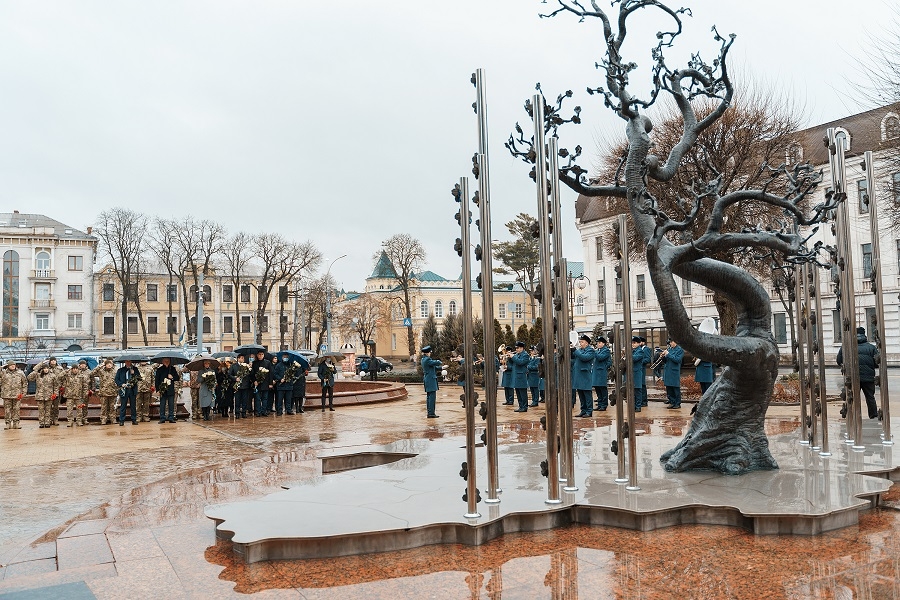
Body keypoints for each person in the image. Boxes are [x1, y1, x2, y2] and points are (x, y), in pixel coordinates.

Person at [837, 326, 880, 419]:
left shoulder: (846, 346)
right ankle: (873, 415)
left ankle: (853, 415)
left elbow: (839, 360)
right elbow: (877, 363)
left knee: (851, 397)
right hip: (868, 377)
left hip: (852, 377)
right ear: (864, 335)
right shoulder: (871, 348)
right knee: (870, 397)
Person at [27, 359, 59, 428]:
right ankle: (41, 423)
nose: (46, 370)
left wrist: (55, 394)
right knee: (41, 410)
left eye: (47, 368)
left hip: (49, 396)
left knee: (48, 410)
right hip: (40, 396)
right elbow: (29, 377)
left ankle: (47, 422)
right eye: (44, 368)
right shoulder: (38, 375)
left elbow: (56, 385)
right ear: (42, 369)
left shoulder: (52, 376)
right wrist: (39, 365)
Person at [572, 335, 596, 417]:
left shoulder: (591, 351)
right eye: (580, 342)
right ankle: (583, 410)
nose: (580, 343)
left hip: (585, 375)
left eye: (582, 342)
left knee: (587, 394)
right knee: (581, 394)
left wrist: (575, 350)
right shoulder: (580, 350)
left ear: (586, 343)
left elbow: (584, 358)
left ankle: (589, 411)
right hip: (578, 375)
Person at [89, 359, 118, 425]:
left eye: (110, 363)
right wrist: (100, 365)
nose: (109, 365)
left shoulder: (115, 371)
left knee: (112, 407)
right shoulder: (101, 371)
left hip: (113, 392)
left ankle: (113, 418)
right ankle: (103, 419)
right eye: (107, 364)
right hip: (103, 392)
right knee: (104, 407)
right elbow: (92, 373)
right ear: (105, 365)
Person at [64, 360, 91, 427]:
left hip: (79, 396)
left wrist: (84, 395)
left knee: (79, 410)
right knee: (69, 410)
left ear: (78, 369)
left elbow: (85, 386)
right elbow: (59, 376)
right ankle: (70, 421)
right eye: (73, 369)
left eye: (76, 369)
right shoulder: (68, 375)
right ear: (72, 369)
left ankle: (79, 421)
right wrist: (67, 370)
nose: (75, 370)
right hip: (70, 396)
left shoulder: (82, 376)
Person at [2, 360, 27, 429]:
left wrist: (23, 393)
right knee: (7, 410)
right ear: (8, 366)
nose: (13, 366)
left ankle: (16, 423)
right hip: (7, 395)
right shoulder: (4, 373)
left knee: (16, 409)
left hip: (17, 395)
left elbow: (24, 383)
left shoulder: (20, 373)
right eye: (11, 365)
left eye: (14, 365)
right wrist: (1, 367)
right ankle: (8, 423)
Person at [115, 360, 141, 425]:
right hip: (124, 390)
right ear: (125, 362)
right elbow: (116, 379)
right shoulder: (120, 370)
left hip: (132, 390)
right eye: (127, 362)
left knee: (133, 406)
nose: (128, 363)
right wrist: (121, 384)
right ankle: (121, 420)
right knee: (123, 406)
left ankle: (134, 419)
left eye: (129, 362)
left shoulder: (135, 369)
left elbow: (139, 378)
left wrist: (133, 373)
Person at [155, 357, 179, 424]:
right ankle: (162, 418)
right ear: (162, 361)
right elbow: (157, 380)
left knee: (171, 404)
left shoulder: (173, 369)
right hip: (162, 389)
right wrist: (158, 390)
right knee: (162, 404)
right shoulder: (159, 370)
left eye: (168, 361)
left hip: (170, 389)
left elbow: (177, 377)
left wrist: (172, 377)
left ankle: (171, 417)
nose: (166, 362)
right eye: (165, 361)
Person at [661, 339, 684, 409]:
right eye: (670, 342)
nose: (670, 343)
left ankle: (677, 403)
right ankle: (671, 401)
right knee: (669, 387)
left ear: (675, 342)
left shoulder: (680, 350)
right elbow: (666, 361)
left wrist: (668, 354)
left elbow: (677, 360)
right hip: (668, 370)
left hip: (674, 371)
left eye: (671, 342)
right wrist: (663, 357)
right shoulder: (670, 349)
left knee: (675, 387)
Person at [420, 345, 441, 418]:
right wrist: (439, 361)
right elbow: (437, 363)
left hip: (427, 379)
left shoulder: (423, 359)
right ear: (427, 353)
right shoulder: (427, 360)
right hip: (430, 379)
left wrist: (442, 368)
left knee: (429, 397)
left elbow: (433, 368)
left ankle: (430, 412)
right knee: (432, 397)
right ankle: (431, 413)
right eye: (429, 352)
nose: (430, 354)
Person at [251, 350, 272, 417]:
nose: (260, 356)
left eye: (262, 354)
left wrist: (270, 383)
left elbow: (270, 374)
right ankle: (258, 411)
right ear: (257, 355)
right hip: (257, 384)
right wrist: (254, 381)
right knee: (257, 398)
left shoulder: (267, 362)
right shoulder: (254, 363)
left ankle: (264, 411)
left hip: (265, 383)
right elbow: (252, 373)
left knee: (265, 398)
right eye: (259, 354)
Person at [631, 337, 650, 412]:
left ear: (639, 343)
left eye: (634, 343)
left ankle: (639, 405)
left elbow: (634, 358)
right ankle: (635, 405)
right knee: (633, 390)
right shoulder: (633, 351)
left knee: (638, 389)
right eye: (632, 343)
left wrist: (627, 354)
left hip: (637, 372)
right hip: (632, 372)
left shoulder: (640, 351)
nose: (633, 344)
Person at [592, 337, 611, 411]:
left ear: (603, 343)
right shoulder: (598, 350)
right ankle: (600, 404)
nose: (598, 344)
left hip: (602, 372)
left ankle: (604, 404)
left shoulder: (606, 351)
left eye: (599, 343)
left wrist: (594, 352)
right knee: (597, 388)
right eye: (597, 343)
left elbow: (600, 358)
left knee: (602, 389)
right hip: (596, 372)